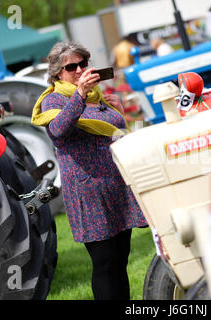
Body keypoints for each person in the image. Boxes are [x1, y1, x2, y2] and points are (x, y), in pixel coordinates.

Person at [31, 41, 148, 300]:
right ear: (57, 74)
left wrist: (117, 110)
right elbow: (59, 131)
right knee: (105, 263)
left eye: (83, 64)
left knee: (120, 261)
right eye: (70, 66)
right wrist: (80, 95)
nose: (79, 70)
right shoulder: (54, 100)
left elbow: (117, 134)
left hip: (117, 187)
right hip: (89, 193)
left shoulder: (99, 97)